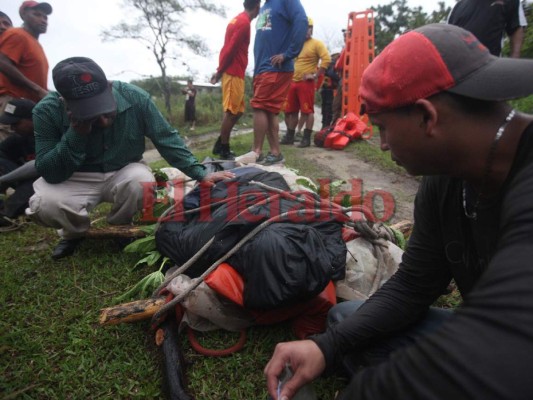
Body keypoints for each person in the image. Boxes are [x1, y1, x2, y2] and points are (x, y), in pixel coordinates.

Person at [265, 23, 533, 399]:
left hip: (514, 342)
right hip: (496, 335)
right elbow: (413, 286)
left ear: (427, 116)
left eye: (383, 128)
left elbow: (507, 336)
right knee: (345, 322)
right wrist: (325, 346)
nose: (384, 145)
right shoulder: (446, 182)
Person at [26, 57, 234, 259]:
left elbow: (166, 138)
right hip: (75, 176)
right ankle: (74, 233)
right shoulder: (46, 111)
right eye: (89, 111)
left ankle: (120, 226)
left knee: (142, 182)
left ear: (108, 86)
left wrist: (200, 173)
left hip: (123, 170)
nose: (103, 119)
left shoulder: (135, 97)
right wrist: (76, 134)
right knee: (45, 203)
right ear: (64, 101)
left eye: (103, 108)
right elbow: (48, 171)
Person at [250, 0, 308, 165]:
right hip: (262, 67)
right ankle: (275, 152)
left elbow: (301, 21)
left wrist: (289, 53)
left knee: (259, 106)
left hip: (275, 67)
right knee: (268, 110)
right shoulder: (266, 5)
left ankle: (256, 152)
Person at [210, 0, 261, 161]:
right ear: (257, 6)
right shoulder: (243, 22)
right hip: (232, 71)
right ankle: (223, 147)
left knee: (238, 111)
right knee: (232, 111)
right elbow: (230, 49)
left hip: (237, 72)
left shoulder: (238, 20)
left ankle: (220, 142)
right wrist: (219, 71)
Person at [0, 1, 51, 141]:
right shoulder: (17, 34)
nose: (43, 20)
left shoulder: (35, 44)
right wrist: (38, 90)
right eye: (37, 14)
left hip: (28, 109)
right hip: (12, 104)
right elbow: (3, 62)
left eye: (45, 17)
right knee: (5, 144)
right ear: (23, 14)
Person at [280, 17, 331, 148]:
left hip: (306, 83)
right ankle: (290, 136)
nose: (307, 30)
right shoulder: (296, 44)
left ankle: (306, 139)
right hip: (293, 82)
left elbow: (326, 59)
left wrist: (315, 75)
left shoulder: (316, 44)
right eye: (304, 28)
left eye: (310, 28)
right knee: (291, 111)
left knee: (307, 111)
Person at [0, 98, 37, 227]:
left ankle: (7, 213)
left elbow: (40, 167)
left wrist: (4, 179)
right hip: (23, 177)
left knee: (38, 180)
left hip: (49, 179)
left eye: (16, 123)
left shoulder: (51, 134)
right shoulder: (18, 138)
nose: (12, 127)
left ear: (32, 119)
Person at [448, 0, 527, 57]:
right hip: (458, 66)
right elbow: (447, 34)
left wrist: (514, 60)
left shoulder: (510, 1)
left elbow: (516, 28)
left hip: (490, 64)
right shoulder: (458, 6)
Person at [319, 50, 341, 129]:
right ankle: (326, 126)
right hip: (330, 89)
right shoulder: (333, 63)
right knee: (329, 108)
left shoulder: (328, 62)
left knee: (326, 107)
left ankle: (325, 126)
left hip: (327, 88)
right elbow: (332, 74)